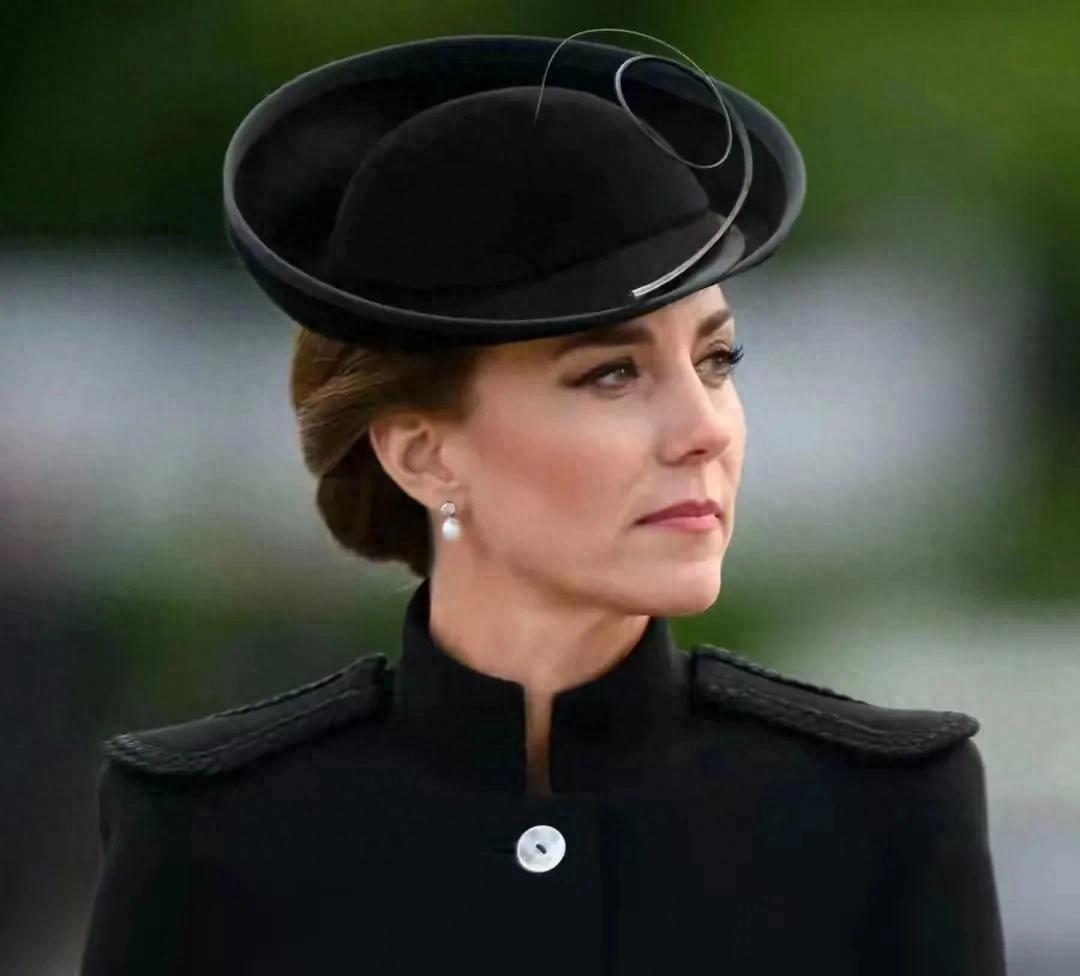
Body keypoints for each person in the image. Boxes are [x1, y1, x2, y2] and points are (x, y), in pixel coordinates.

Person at [78, 30, 1007, 975]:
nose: (705, 429)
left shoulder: (879, 811)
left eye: (716, 359)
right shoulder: (210, 828)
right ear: (423, 455)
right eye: (611, 373)